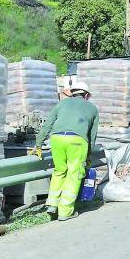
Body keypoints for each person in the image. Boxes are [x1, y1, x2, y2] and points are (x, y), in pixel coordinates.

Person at [29, 81, 99, 221]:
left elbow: (48, 125)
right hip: (77, 141)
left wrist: (38, 145)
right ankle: (65, 211)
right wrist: (89, 155)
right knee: (74, 174)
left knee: (59, 171)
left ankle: (52, 204)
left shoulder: (60, 104)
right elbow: (92, 136)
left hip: (57, 139)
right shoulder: (93, 109)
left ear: (72, 93)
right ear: (86, 95)